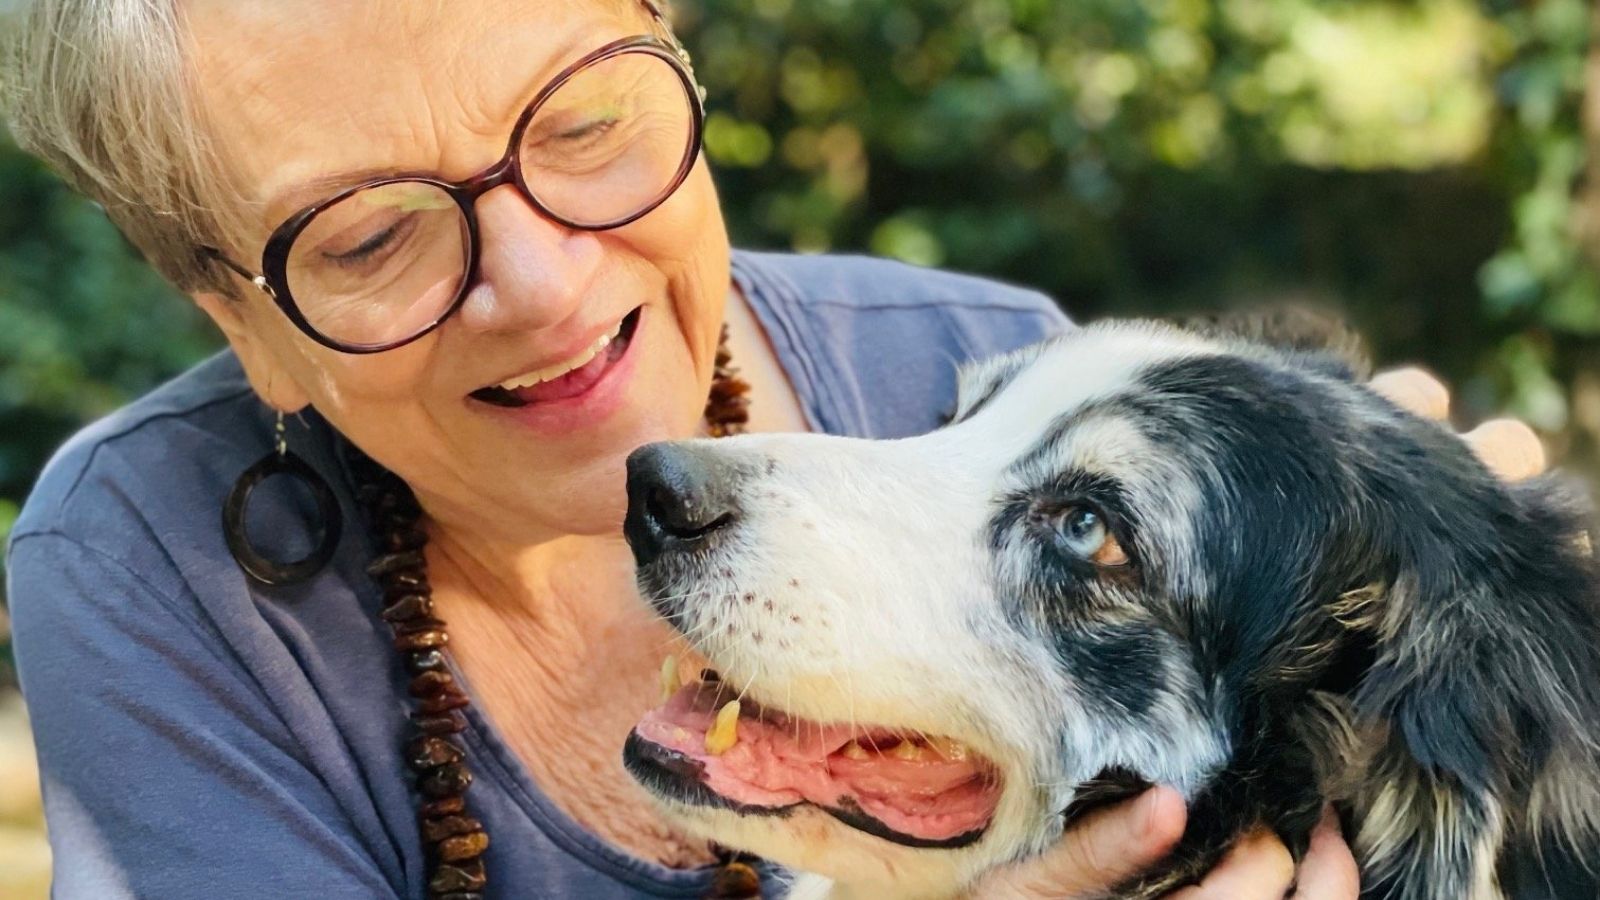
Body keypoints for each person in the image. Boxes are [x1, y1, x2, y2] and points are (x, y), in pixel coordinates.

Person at [0, 0, 1543, 897]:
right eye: (372, 232)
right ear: (232, 313)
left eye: (585, 121)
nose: (547, 287)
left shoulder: (982, 354)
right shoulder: (142, 575)